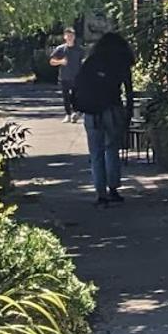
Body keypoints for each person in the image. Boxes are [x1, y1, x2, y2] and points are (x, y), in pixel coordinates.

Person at [70, 29, 134, 207]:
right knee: (111, 149)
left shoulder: (92, 61)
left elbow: (78, 84)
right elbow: (129, 91)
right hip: (112, 110)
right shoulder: (121, 62)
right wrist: (128, 114)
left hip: (91, 112)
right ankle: (113, 188)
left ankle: (101, 193)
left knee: (95, 153)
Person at [48, 26, 83, 119]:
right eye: (68, 35)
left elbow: (83, 62)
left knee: (75, 96)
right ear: (64, 37)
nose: (69, 37)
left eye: (71, 35)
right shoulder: (60, 49)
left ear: (74, 37)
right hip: (64, 77)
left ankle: (75, 113)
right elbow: (51, 61)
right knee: (66, 97)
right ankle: (68, 114)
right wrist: (60, 62)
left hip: (77, 77)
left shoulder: (79, 49)